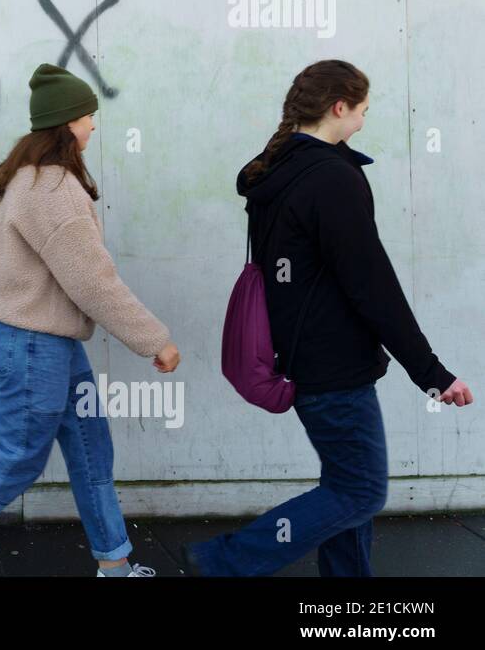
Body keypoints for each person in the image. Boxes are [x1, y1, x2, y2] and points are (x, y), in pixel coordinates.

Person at [184, 59, 473, 577]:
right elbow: (374, 288)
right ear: (339, 107)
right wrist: (433, 374)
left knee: (346, 487)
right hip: (335, 364)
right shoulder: (332, 181)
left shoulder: (276, 170)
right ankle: (224, 562)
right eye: (362, 112)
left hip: (303, 355)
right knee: (360, 490)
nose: (364, 122)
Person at [0, 63, 182, 577]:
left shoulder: (10, 179)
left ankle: (115, 567)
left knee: (92, 451)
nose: (94, 124)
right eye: (90, 115)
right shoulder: (52, 189)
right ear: (69, 122)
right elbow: (92, 281)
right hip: (34, 345)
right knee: (20, 458)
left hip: (44, 342)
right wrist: (153, 338)